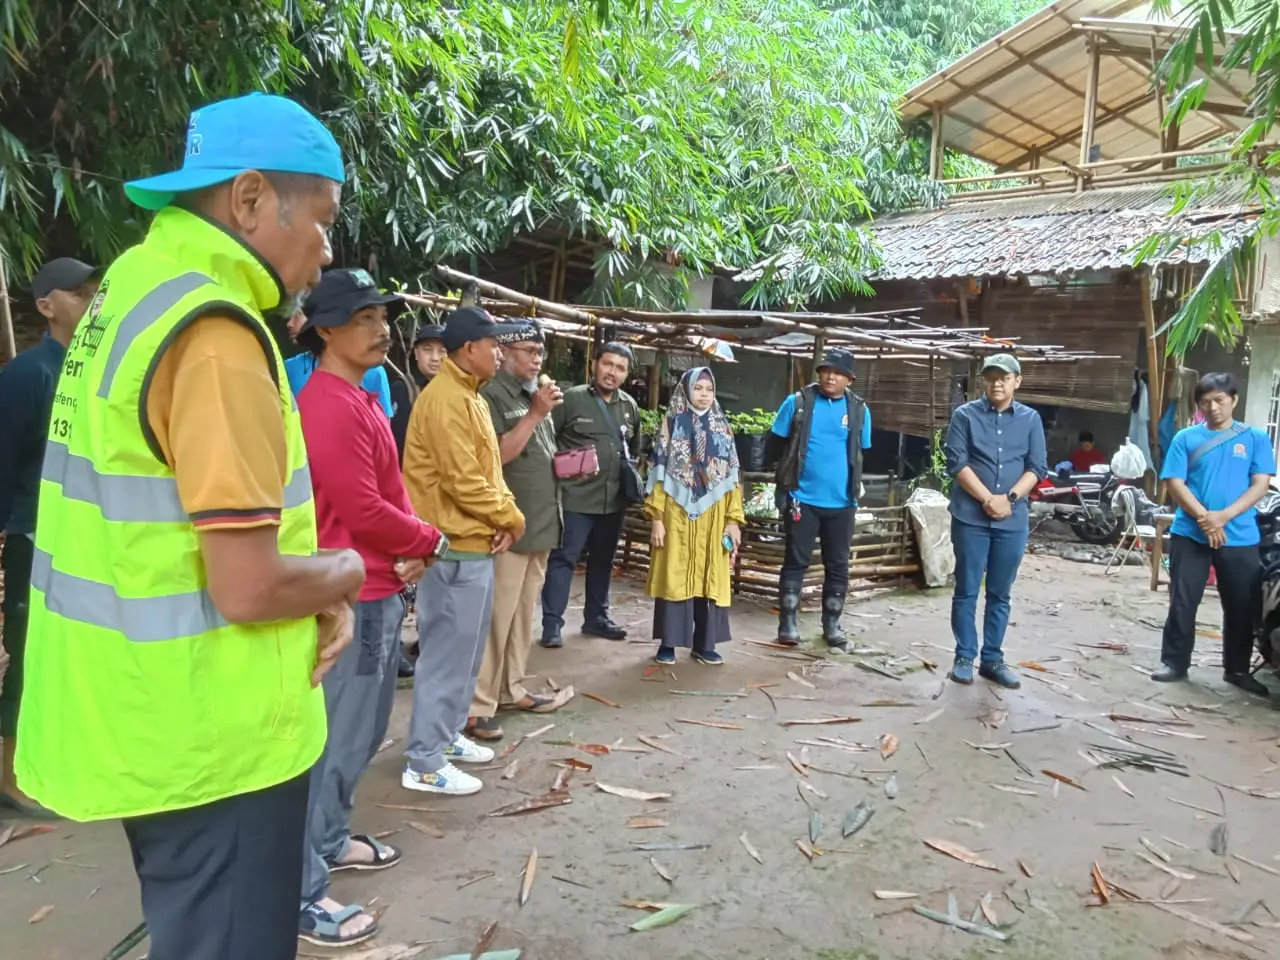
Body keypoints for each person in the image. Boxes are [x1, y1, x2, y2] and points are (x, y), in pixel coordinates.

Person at [15, 93, 367, 960]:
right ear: (250, 198)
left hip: (140, 710)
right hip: (218, 735)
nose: (326, 251)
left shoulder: (131, 290)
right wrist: (344, 574)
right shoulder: (215, 335)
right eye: (320, 221)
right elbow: (248, 585)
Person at [294, 269, 447, 946]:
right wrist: (427, 539)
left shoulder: (359, 397)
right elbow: (358, 508)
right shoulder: (325, 403)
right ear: (325, 329)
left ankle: (328, 841)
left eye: (382, 316)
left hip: (378, 584)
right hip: (348, 597)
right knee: (330, 743)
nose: (381, 329)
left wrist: (412, 544)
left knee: (357, 735)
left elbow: (389, 490)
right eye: (363, 319)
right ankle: (299, 890)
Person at [401, 306, 525, 796]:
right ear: (469, 349)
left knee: (465, 654)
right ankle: (425, 761)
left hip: (473, 542)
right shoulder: (447, 400)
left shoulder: (470, 397)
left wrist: (505, 515)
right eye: (494, 345)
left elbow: (488, 474)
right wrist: (509, 517)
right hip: (451, 547)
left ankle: (446, 736)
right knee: (446, 657)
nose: (499, 353)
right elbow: (463, 481)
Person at [0, 257, 99, 816]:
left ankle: (61, 759)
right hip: (35, 538)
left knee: (72, 654)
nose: (91, 303)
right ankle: (10, 772)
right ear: (46, 306)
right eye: (80, 295)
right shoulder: (26, 375)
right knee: (31, 652)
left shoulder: (95, 367)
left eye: (95, 294)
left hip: (85, 540)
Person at [467, 321, 570, 742]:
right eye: (527, 351)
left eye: (539, 352)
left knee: (522, 618)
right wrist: (535, 414)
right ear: (504, 353)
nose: (535, 359)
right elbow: (497, 457)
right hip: (506, 529)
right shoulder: (490, 396)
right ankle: (477, 707)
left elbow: (538, 452)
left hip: (541, 523)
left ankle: (512, 689)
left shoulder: (534, 395)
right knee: (496, 620)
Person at [1152, 372, 1275, 696]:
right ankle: (1175, 662)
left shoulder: (1255, 439)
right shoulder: (1186, 438)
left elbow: (1260, 484)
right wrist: (1205, 518)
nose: (1213, 407)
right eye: (1205, 402)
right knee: (1183, 601)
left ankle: (1236, 669)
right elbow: (1174, 483)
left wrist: (1224, 517)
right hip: (1190, 534)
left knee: (1241, 606)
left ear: (1234, 400)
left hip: (1240, 535)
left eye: (1219, 400)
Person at [945, 354, 1047, 689]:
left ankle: (992, 659)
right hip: (970, 517)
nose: (997, 383)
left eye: (1004, 377)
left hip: (1011, 520)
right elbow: (957, 463)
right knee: (967, 588)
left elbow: (1037, 467)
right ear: (983, 381)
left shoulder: (1031, 420)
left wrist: (1010, 499)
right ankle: (964, 656)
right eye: (991, 378)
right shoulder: (965, 416)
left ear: (1018, 380)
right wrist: (988, 498)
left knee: (1000, 592)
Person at [766, 347, 872, 651]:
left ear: (849, 379)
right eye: (826, 370)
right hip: (802, 498)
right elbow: (775, 443)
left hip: (842, 503)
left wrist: (854, 488)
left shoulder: (859, 410)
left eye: (838, 373)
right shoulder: (797, 403)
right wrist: (781, 484)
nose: (830, 376)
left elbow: (861, 452)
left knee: (838, 566)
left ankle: (832, 625)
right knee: (795, 561)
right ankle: (787, 623)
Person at [540, 342, 642, 648]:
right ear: (594, 364)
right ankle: (552, 624)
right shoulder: (571, 400)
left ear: (626, 374)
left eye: (620, 368)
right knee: (563, 559)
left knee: (603, 561)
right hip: (574, 498)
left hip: (612, 501)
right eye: (608, 364)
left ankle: (596, 618)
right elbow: (546, 440)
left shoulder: (629, 407)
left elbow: (633, 450)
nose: (612, 372)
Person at [645, 368, 744, 665]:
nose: (703, 394)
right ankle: (669, 643)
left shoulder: (722, 428)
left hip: (714, 517)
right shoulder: (673, 423)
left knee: (710, 576)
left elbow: (733, 477)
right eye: (698, 388)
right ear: (686, 390)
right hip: (676, 513)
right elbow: (659, 472)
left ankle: (705, 643)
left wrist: (732, 521)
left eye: (708, 389)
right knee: (674, 575)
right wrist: (657, 517)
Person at [285, 311, 394, 417]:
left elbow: (383, 427)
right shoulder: (288, 368)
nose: (289, 323)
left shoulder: (373, 371)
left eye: (297, 315)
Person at [389, 322, 446, 461]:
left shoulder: (453, 390)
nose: (435, 358)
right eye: (427, 350)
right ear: (415, 352)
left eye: (442, 351)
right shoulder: (403, 389)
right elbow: (399, 444)